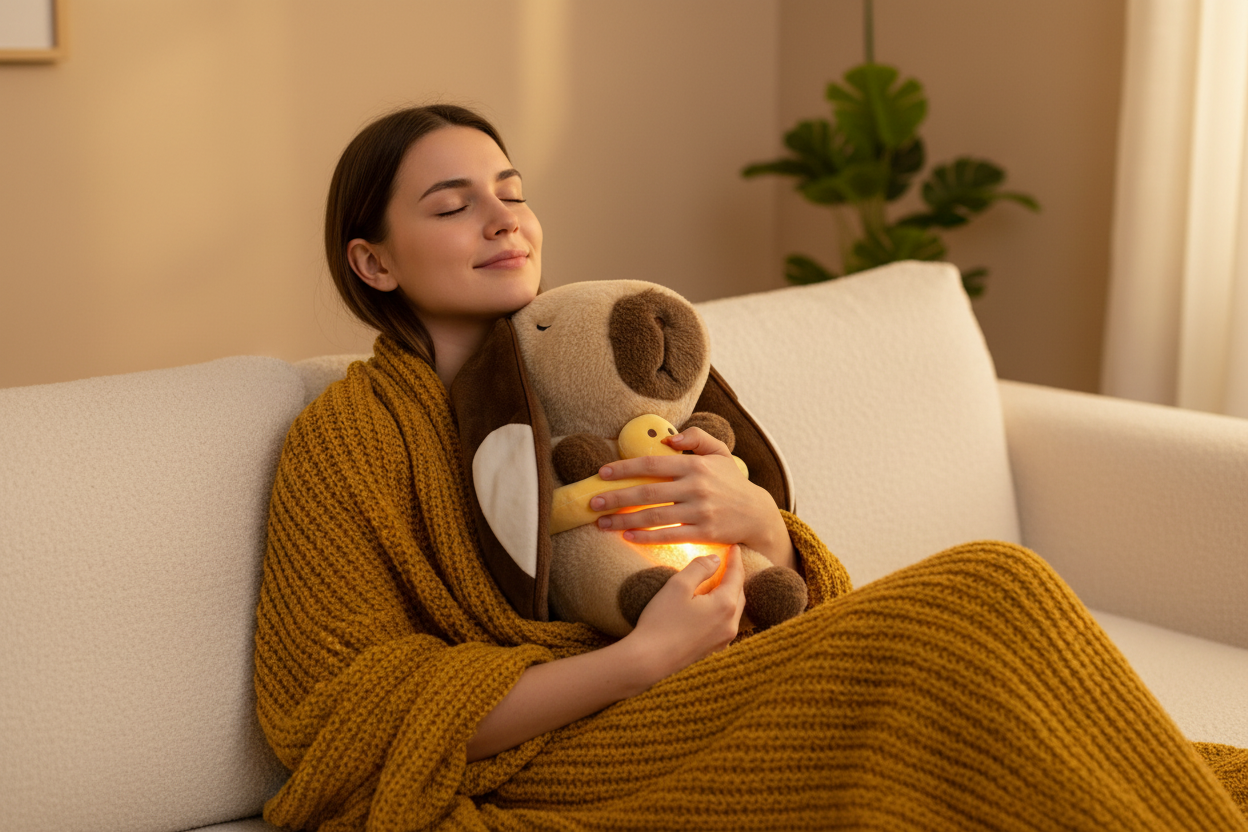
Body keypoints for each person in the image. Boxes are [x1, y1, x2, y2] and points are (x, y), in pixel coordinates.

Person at [253, 104, 1247, 831]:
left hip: (726, 684)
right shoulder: (347, 436)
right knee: (985, 591)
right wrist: (640, 659)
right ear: (375, 262)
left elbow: (798, 596)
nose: (504, 220)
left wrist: (759, 526)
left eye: (513, 194)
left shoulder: (597, 377)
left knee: (1009, 645)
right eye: (452, 205)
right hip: (575, 751)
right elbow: (344, 709)